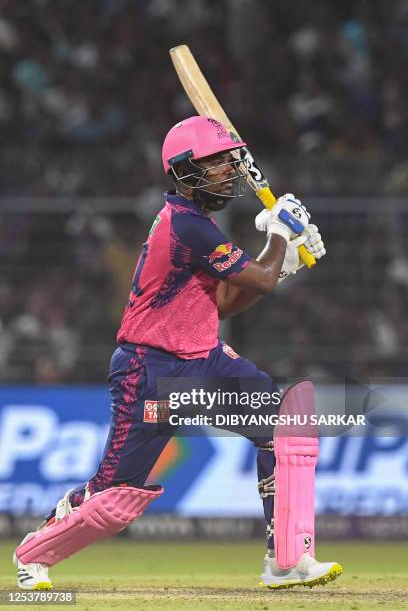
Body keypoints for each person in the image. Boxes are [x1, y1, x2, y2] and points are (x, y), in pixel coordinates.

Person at [13, 116, 341, 590]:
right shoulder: (188, 227)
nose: (228, 173)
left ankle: (286, 559)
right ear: (185, 170)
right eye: (216, 165)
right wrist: (279, 235)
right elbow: (260, 279)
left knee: (286, 429)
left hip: (205, 358)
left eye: (230, 163)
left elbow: (226, 303)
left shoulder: (199, 227)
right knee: (115, 496)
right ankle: (33, 554)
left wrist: (282, 258)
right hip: (151, 368)